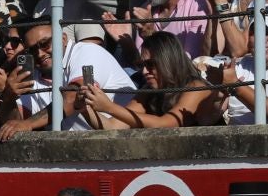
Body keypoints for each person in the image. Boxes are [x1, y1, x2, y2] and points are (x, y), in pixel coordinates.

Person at [0, 17, 138, 134]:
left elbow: (73, 98)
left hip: (124, 137)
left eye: (45, 44)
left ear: (64, 39)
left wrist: (29, 123)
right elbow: (15, 124)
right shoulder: (34, 76)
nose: (40, 54)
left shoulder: (87, 51)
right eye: (32, 50)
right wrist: (8, 98)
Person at [81, 30, 220, 128]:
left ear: (168, 61)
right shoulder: (149, 91)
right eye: (142, 65)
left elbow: (166, 124)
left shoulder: (196, 87)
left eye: (150, 64)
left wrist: (109, 107)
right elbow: (112, 126)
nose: (145, 71)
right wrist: (84, 107)